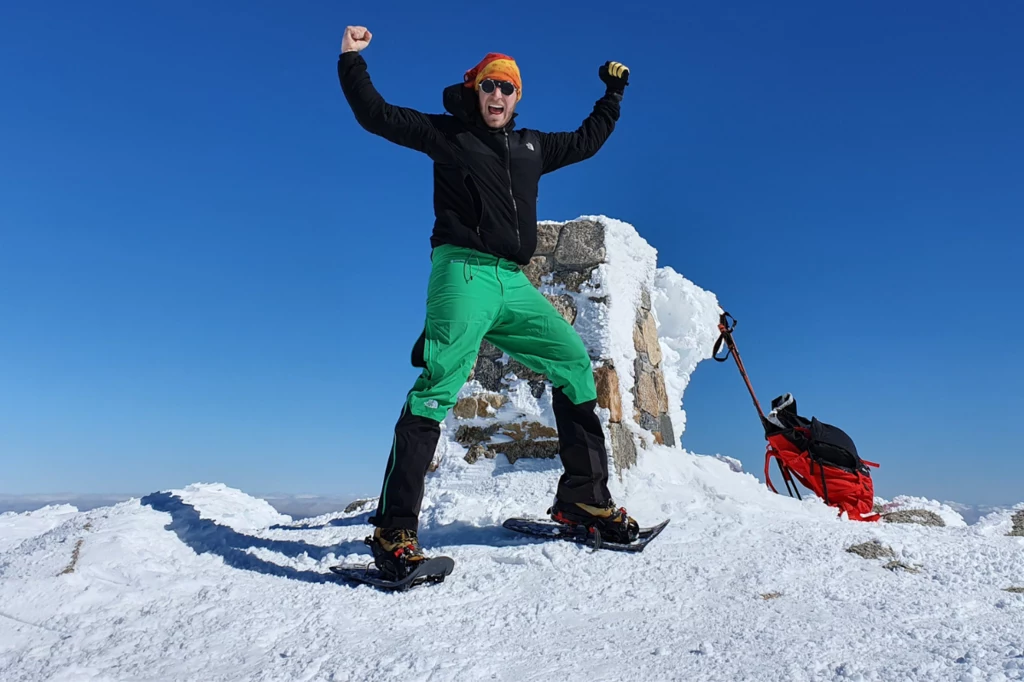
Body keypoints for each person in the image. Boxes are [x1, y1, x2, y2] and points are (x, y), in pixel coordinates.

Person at [337, 25, 638, 579]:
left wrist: (612, 97)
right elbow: (376, 115)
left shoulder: (532, 147)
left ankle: (583, 499)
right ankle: (393, 531)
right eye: (489, 86)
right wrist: (352, 59)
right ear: (473, 90)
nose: (497, 96)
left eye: (508, 88)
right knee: (438, 388)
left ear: (517, 97)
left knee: (573, 363)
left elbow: (587, 139)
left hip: (515, 284)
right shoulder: (447, 136)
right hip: (463, 274)